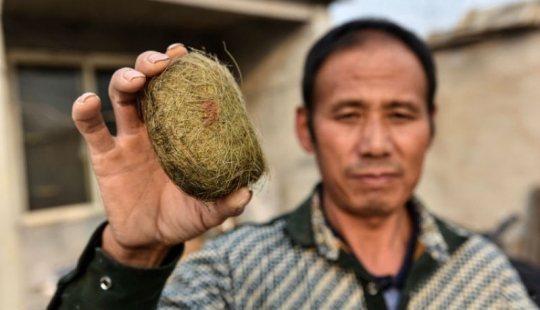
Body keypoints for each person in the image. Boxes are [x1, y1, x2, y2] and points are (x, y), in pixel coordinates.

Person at [48, 19, 536, 310]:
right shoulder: (227, 276)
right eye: (348, 114)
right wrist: (133, 255)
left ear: (430, 126)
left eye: (401, 114)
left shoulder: (487, 277)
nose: (375, 143)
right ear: (305, 128)